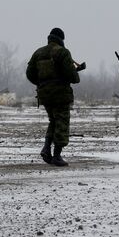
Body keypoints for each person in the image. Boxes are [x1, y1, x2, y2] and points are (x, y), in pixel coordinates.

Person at [26, 28, 85, 167]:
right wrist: (76, 74)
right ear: (61, 39)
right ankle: (57, 156)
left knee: (53, 120)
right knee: (62, 123)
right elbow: (72, 76)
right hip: (60, 94)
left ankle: (46, 149)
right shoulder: (63, 52)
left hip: (44, 94)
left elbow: (29, 73)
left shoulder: (38, 52)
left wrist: (43, 83)